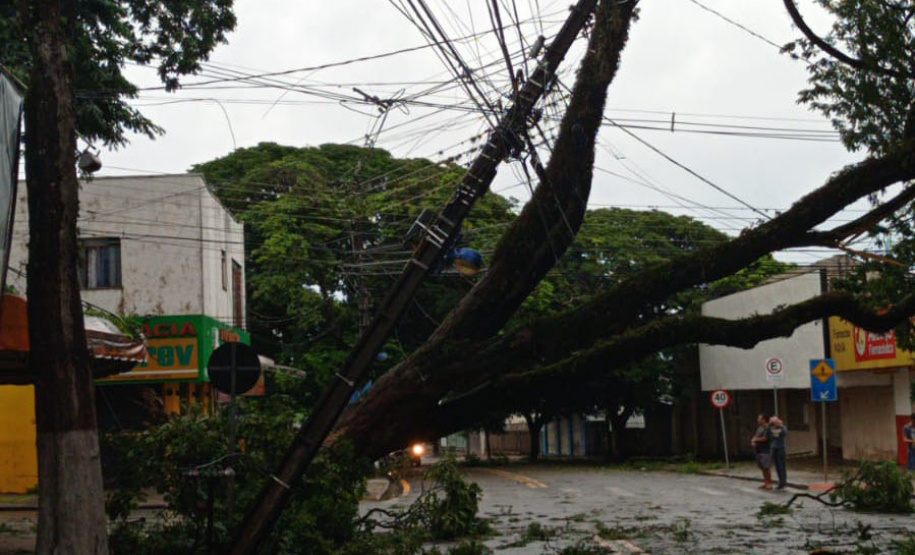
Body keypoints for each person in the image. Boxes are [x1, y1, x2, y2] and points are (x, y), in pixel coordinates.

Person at [750, 413, 772, 489]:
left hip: (765, 450)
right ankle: (765, 482)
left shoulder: (768, 428)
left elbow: (765, 438)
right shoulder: (759, 428)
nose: (758, 420)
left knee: (766, 467)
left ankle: (769, 483)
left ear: (764, 420)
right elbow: (756, 436)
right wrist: (753, 441)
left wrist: (755, 440)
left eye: (759, 419)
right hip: (758, 450)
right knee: (762, 467)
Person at [767, 416, 789, 490]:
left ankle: (783, 482)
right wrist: (770, 425)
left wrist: (780, 425)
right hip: (774, 448)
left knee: (782, 466)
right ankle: (780, 481)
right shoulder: (771, 428)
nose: (774, 424)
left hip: (780, 448)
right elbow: (768, 435)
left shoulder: (783, 428)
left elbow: (785, 433)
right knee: (777, 466)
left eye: (775, 422)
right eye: (773, 422)